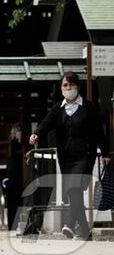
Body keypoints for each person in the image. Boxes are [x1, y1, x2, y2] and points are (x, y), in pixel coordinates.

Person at [29, 71, 110, 240]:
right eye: (65, 85)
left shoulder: (88, 108)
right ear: (61, 88)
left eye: (71, 85)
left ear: (77, 87)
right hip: (66, 157)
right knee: (74, 191)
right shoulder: (58, 109)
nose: (68, 88)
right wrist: (36, 133)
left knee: (74, 187)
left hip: (85, 155)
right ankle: (84, 230)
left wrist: (105, 152)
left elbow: (99, 132)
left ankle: (70, 224)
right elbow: (46, 123)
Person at [3, 139, 23, 232]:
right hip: (19, 185)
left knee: (11, 208)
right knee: (19, 206)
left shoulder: (10, 160)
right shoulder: (21, 160)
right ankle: (18, 225)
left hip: (11, 186)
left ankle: (11, 226)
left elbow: (7, 173)